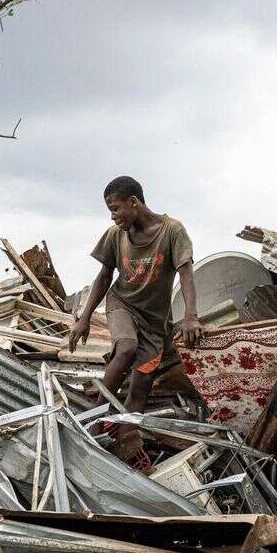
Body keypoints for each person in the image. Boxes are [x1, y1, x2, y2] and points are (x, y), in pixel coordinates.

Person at [67, 175, 201, 469]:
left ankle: (126, 438)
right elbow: (104, 277)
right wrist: (84, 318)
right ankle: (93, 422)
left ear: (134, 202)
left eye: (116, 209)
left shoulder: (172, 231)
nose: (113, 217)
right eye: (110, 212)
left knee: (141, 383)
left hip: (155, 323)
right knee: (125, 349)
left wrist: (191, 316)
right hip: (122, 305)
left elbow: (186, 273)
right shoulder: (115, 236)